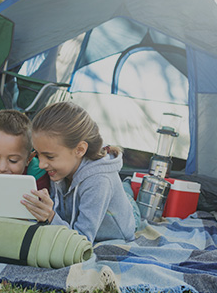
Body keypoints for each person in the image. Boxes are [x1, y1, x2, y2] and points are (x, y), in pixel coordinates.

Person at [21, 101, 136, 243]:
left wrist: (50, 217)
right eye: (38, 154)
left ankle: (127, 187)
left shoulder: (99, 181)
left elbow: (83, 240)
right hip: (98, 203)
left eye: (49, 156)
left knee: (129, 201)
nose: (42, 164)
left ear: (80, 150)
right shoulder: (60, 167)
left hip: (119, 227)